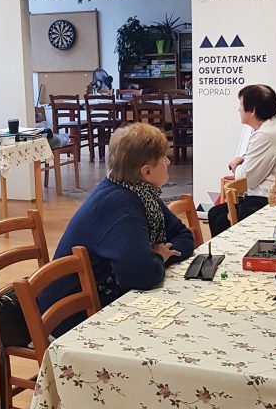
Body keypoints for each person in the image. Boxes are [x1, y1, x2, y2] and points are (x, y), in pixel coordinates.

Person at [38, 122, 194, 336]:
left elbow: (184, 236)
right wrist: (158, 257)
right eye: (163, 159)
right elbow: (141, 276)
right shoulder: (122, 205)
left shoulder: (139, 192)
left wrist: (157, 257)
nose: (168, 162)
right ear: (147, 171)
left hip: (105, 299)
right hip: (74, 320)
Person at [208, 84, 276, 237]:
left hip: (273, 203)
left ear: (253, 110)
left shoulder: (265, 134)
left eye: (241, 104)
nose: (239, 109)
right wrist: (245, 159)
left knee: (218, 217)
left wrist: (236, 166)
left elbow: (247, 180)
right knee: (216, 214)